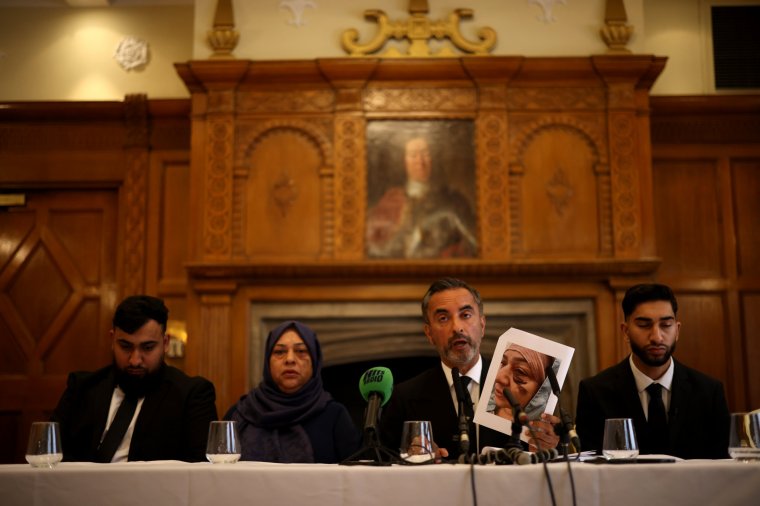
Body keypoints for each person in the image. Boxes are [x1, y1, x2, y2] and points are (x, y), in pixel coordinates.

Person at [379, 277, 560, 460]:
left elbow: (542, 458)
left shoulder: (523, 387)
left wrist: (549, 445)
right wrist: (412, 455)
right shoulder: (404, 397)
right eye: (443, 318)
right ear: (429, 333)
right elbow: (383, 460)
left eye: (465, 315)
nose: (457, 327)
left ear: (482, 325)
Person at [51, 295, 217, 462]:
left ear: (165, 343)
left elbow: (201, 472)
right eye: (125, 346)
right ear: (112, 340)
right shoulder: (82, 388)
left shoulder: (191, 396)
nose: (135, 360)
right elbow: (50, 456)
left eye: (147, 347)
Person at [575, 283, 730, 459]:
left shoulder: (709, 392)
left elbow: (723, 466)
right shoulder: (595, 392)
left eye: (666, 325)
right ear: (625, 331)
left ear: (677, 330)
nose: (657, 336)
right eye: (644, 325)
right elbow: (590, 467)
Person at [225, 320, 361, 463]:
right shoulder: (241, 413)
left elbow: (353, 478)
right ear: (267, 361)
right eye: (279, 352)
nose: (290, 359)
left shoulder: (334, 415)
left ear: (314, 361)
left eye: (301, 351)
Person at [365, 136, 478, 259]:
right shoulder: (390, 201)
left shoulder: (454, 199)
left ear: (433, 159)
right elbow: (374, 249)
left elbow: (474, 246)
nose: (420, 162)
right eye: (413, 155)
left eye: (425, 154)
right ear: (404, 161)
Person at [490, 344, 555, 422]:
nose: (498, 377)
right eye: (503, 363)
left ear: (542, 388)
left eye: (520, 371)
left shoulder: (540, 431)